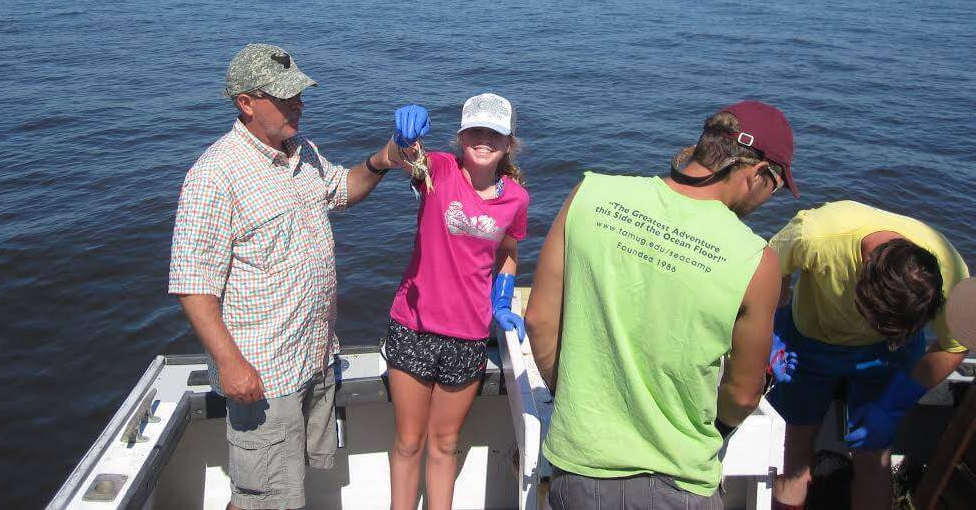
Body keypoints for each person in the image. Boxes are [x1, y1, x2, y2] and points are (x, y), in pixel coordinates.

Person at [526, 100, 798, 510]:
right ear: (758, 174)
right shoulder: (755, 261)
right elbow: (743, 394)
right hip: (680, 481)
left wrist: (579, 402)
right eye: (775, 188)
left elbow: (540, 321)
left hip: (580, 472)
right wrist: (714, 430)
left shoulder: (591, 194)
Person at [168, 43, 397, 510]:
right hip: (265, 374)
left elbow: (340, 190)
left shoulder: (303, 152)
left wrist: (382, 160)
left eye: (299, 93)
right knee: (262, 499)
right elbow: (194, 286)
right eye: (284, 96)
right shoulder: (214, 175)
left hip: (313, 359)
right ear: (246, 103)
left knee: (288, 487)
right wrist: (231, 364)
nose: (299, 103)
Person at [768, 201, 970, 510]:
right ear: (860, 284)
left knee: (874, 456)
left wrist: (893, 404)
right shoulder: (815, 235)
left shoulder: (952, 271)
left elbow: (954, 346)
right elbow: (769, 270)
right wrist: (771, 331)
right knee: (796, 447)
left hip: (889, 357)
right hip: (811, 342)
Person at [383, 93, 530, 510]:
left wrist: (502, 301)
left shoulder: (516, 199)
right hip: (413, 327)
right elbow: (408, 159)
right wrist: (402, 140)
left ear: (508, 143)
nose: (483, 139)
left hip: (468, 335)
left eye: (494, 133)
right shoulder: (441, 171)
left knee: (445, 443)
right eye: (475, 131)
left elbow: (507, 251)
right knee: (409, 441)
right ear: (461, 137)